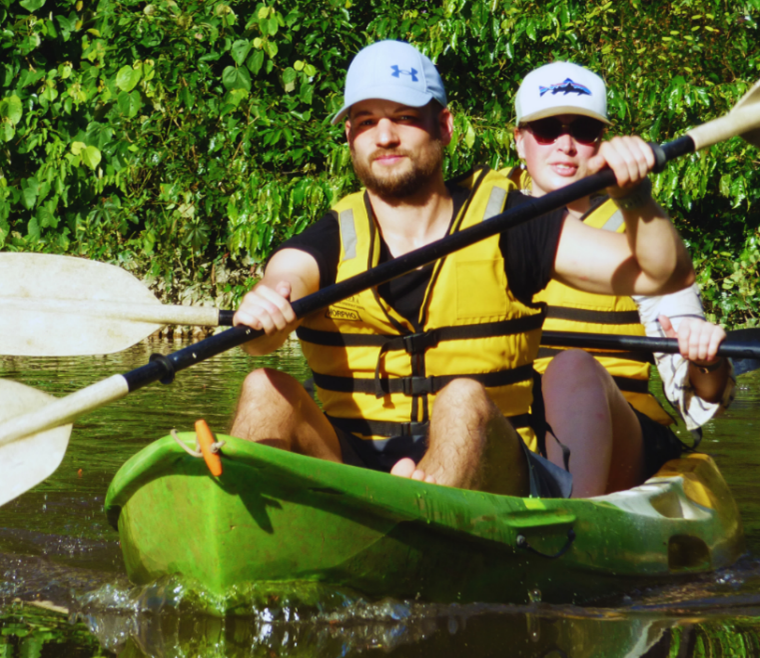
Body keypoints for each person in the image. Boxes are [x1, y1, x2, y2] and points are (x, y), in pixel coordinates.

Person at [229, 40, 694, 498]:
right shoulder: (330, 238)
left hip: (500, 480)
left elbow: (662, 274)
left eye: (405, 119)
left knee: (461, 399)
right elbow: (278, 295)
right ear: (350, 137)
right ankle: (237, 532)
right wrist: (265, 308)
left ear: (445, 126)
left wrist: (635, 197)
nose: (385, 136)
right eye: (367, 122)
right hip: (360, 472)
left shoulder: (511, 223)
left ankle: (423, 524)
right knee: (263, 389)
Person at [508, 61, 735, 497]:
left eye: (584, 131)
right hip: (515, 423)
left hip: (618, 435)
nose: (566, 145)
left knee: (571, 366)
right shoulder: (480, 211)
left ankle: (575, 526)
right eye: (547, 130)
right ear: (520, 141)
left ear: (603, 143)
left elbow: (704, 393)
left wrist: (707, 358)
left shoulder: (644, 234)